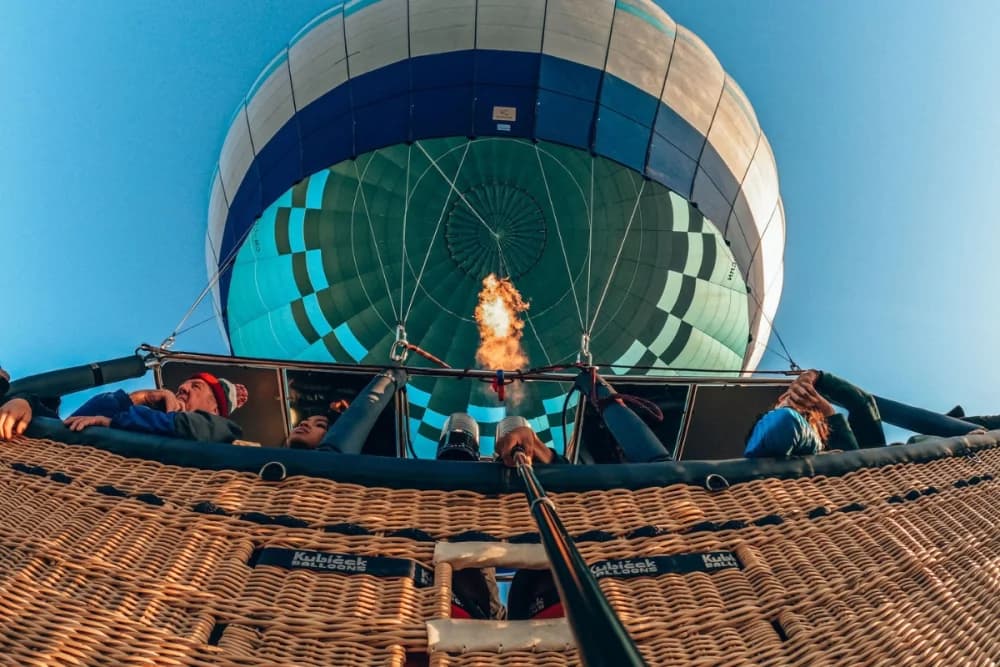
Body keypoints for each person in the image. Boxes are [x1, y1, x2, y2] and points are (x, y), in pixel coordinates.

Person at [0, 372, 248, 443]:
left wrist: (112, 423)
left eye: (196, 387)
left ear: (214, 410)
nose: (182, 388)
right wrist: (25, 401)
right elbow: (73, 424)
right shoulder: (137, 415)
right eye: (184, 384)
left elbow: (201, 431)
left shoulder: (217, 433)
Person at [744, 369, 886, 458]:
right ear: (781, 399)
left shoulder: (862, 458)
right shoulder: (765, 432)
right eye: (794, 396)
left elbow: (865, 404)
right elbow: (784, 423)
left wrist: (828, 412)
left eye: (809, 409)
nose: (801, 400)